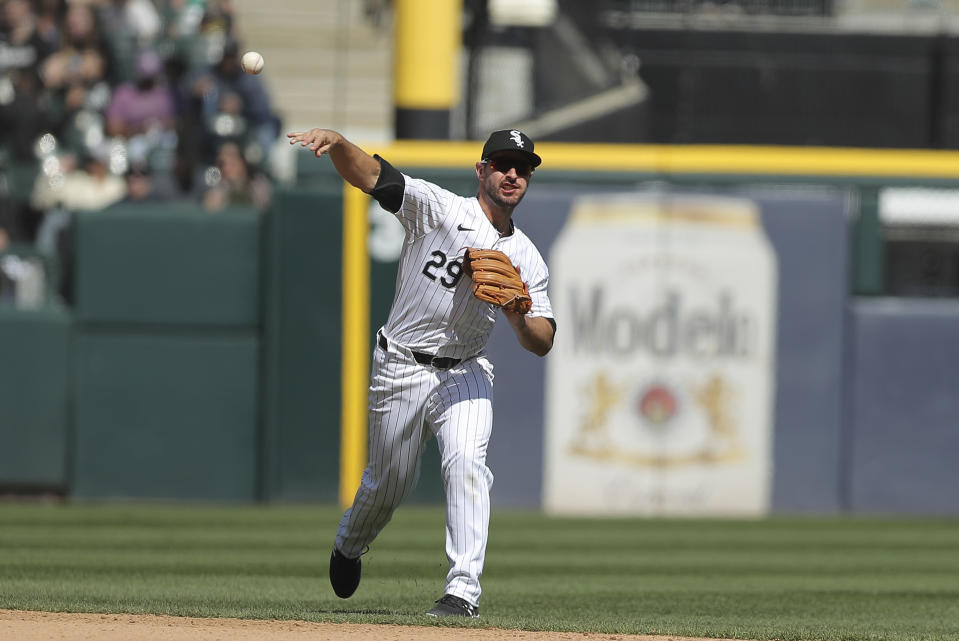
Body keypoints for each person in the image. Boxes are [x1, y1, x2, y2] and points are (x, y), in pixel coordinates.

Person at [287, 127, 556, 618]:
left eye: (523, 167)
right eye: (501, 163)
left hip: (467, 371)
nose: (512, 173)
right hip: (402, 365)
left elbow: (542, 341)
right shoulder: (440, 208)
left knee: (467, 466)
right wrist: (339, 143)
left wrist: (519, 312)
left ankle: (462, 592)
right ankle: (349, 543)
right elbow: (371, 175)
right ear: (482, 171)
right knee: (387, 482)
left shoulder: (527, 258)